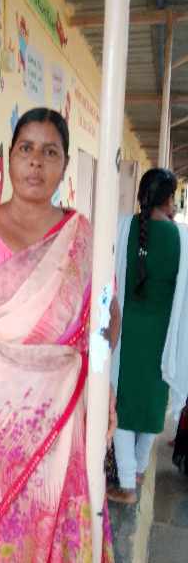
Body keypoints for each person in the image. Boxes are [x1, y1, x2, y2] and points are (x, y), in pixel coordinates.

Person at [0, 107, 118, 561]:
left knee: (68, 523)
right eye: (26, 148)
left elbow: (106, 318)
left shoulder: (80, 234)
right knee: (10, 533)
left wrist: (99, 374)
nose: (36, 161)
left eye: (50, 152)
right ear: (11, 156)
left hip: (66, 415)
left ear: (64, 165)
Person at [108, 168, 188, 504]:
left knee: (122, 405)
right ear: (168, 199)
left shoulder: (123, 227)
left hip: (125, 333)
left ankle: (126, 485)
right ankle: (138, 470)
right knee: (152, 403)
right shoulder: (180, 238)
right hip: (162, 338)